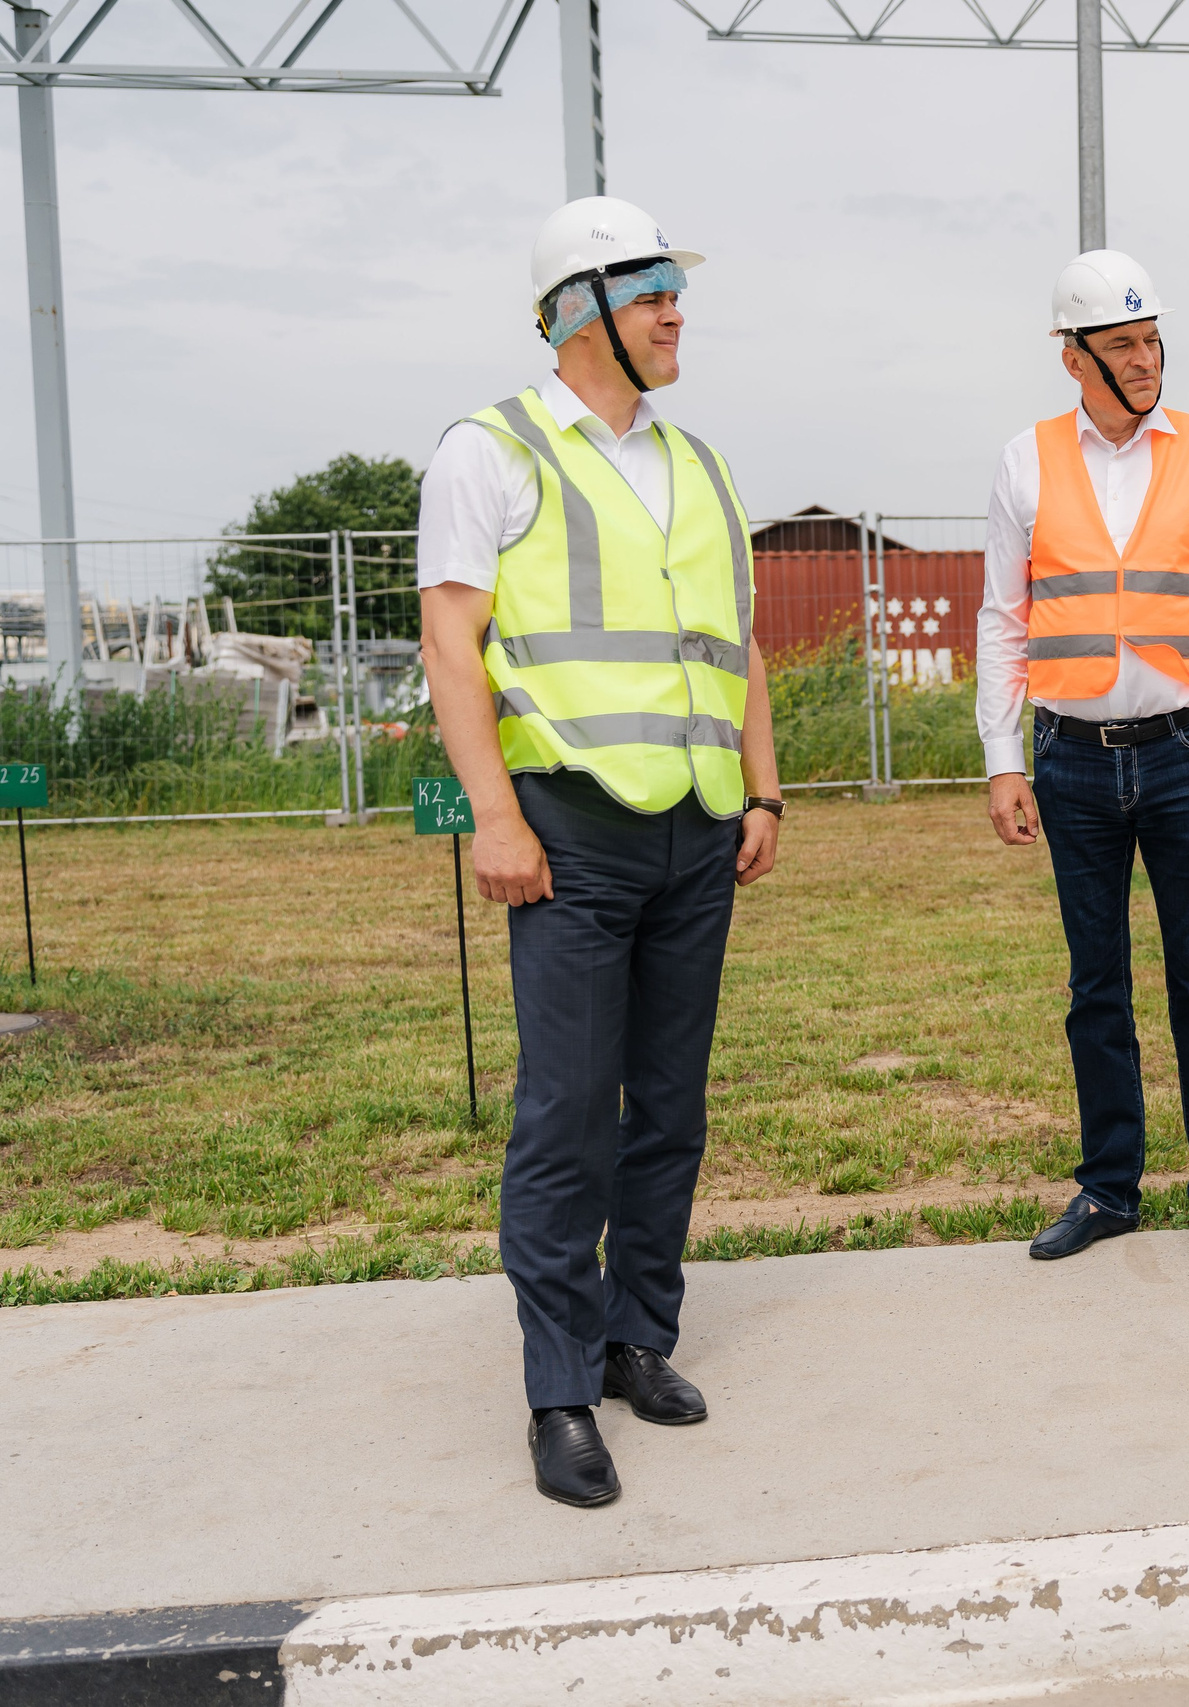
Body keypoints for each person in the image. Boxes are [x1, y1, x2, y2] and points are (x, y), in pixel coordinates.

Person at [417, 196, 779, 1507]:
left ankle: (639, 1337)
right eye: (653, 292)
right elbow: (452, 644)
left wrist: (765, 794)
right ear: (579, 312)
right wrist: (494, 816)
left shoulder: (702, 464)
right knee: (568, 1114)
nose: (679, 311)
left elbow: (733, 648)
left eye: (678, 289)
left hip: (696, 830)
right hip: (567, 828)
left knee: (668, 1108)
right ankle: (559, 1385)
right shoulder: (491, 450)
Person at [978, 250, 1189, 1266]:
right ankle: (1109, 1190)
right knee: (1094, 986)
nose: (1145, 359)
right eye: (1121, 344)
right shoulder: (1025, 460)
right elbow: (1002, 618)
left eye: (1152, 339)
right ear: (1074, 358)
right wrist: (1001, 757)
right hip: (1070, 760)